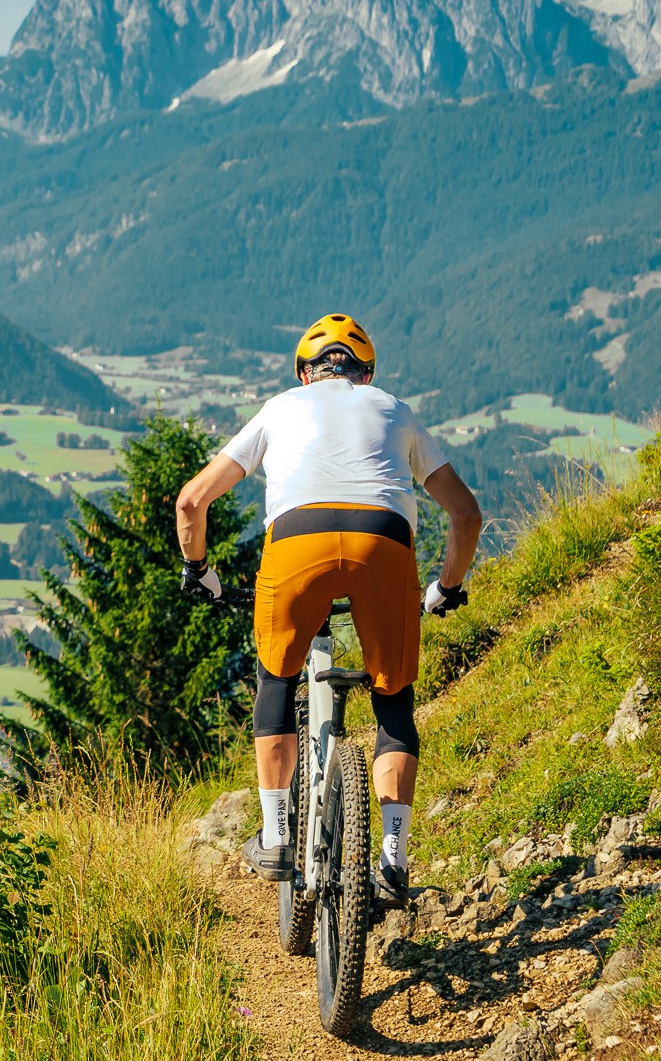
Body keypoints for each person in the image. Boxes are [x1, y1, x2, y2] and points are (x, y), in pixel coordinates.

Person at [174, 313, 482, 910]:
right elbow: (465, 515)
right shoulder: (395, 409)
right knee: (392, 701)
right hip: (383, 545)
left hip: (297, 546)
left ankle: (277, 835)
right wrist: (445, 587)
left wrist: (200, 572)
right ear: (365, 374)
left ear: (304, 372)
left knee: (276, 677)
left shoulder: (280, 408)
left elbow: (192, 501)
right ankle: (392, 862)